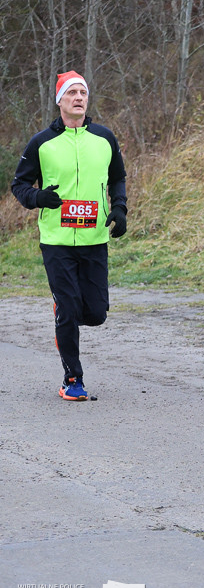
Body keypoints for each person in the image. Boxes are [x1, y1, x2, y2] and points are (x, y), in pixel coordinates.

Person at [10, 70, 128, 401]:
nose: (79, 98)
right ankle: (72, 378)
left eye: (83, 93)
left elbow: (118, 177)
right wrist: (38, 198)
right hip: (57, 240)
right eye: (72, 93)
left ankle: (65, 309)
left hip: (94, 239)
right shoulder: (41, 143)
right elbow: (19, 185)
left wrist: (119, 209)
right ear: (60, 100)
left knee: (95, 313)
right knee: (67, 308)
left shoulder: (104, 138)